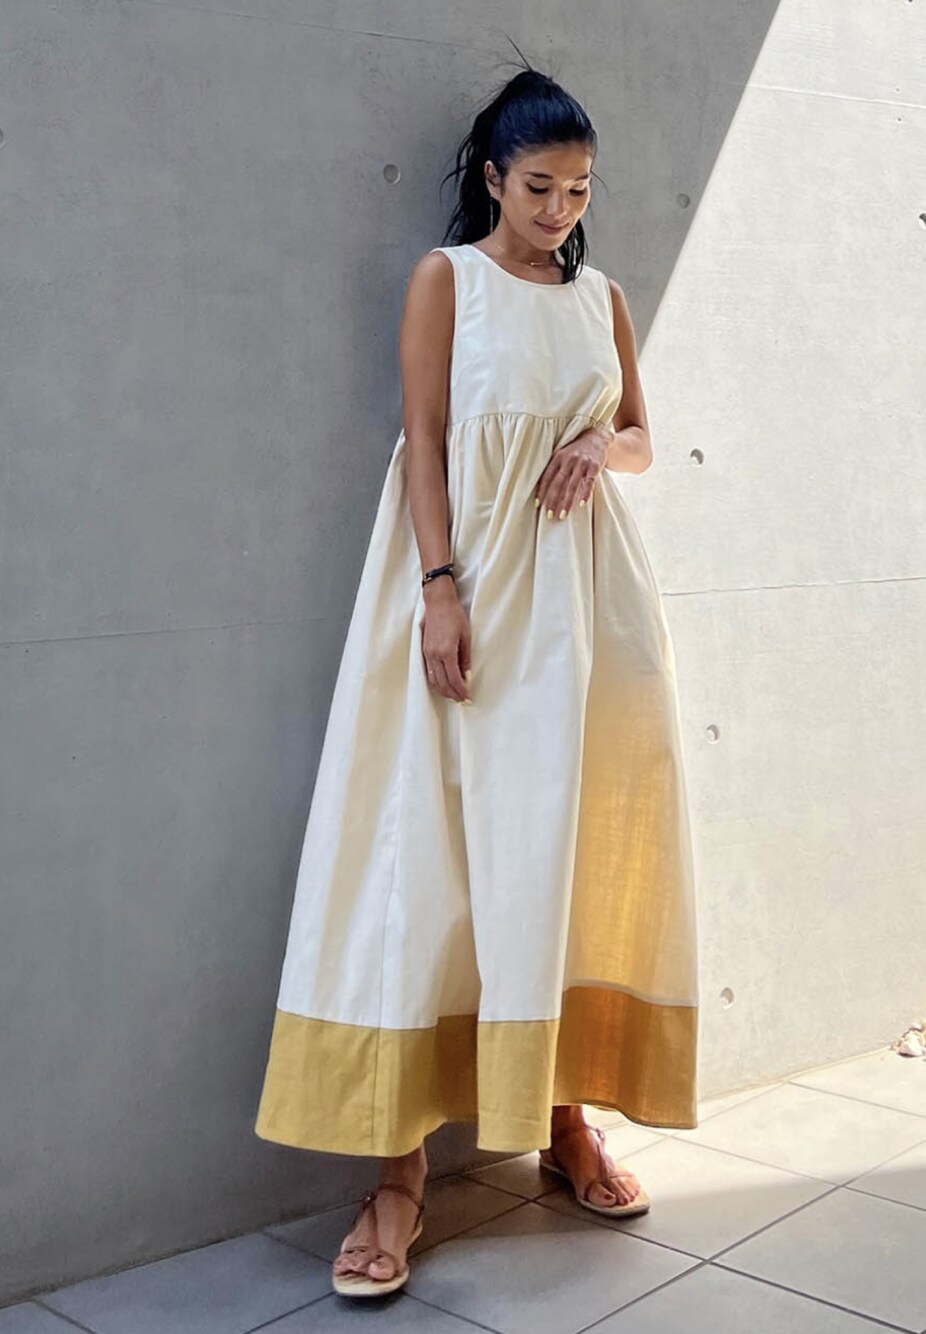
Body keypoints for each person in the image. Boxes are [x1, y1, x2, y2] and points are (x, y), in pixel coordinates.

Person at [254, 63, 700, 1299]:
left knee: (560, 849)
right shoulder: (446, 280)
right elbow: (426, 439)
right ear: (492, 178)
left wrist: (596, 442)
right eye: (539, 186)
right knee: (424, 860)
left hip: (590, 608)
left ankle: (563, 1124)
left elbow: (642, 436)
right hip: (469, 593)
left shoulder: (601, 297)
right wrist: (439, 587)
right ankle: (395, 1177)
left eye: (579, 190)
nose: (560, 210)